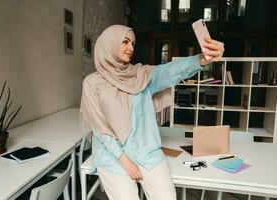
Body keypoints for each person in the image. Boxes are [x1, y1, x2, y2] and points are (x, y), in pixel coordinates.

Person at [80, 25, 224, 200]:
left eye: (133, 43)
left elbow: (169, 71)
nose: (131, 48)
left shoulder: (141, 75)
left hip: (147, 151)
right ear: (109, 43)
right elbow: (100, 128)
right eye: (125, 42)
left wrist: (202, 59)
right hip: (113, 157)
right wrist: (125, 161)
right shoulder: (92, 83)